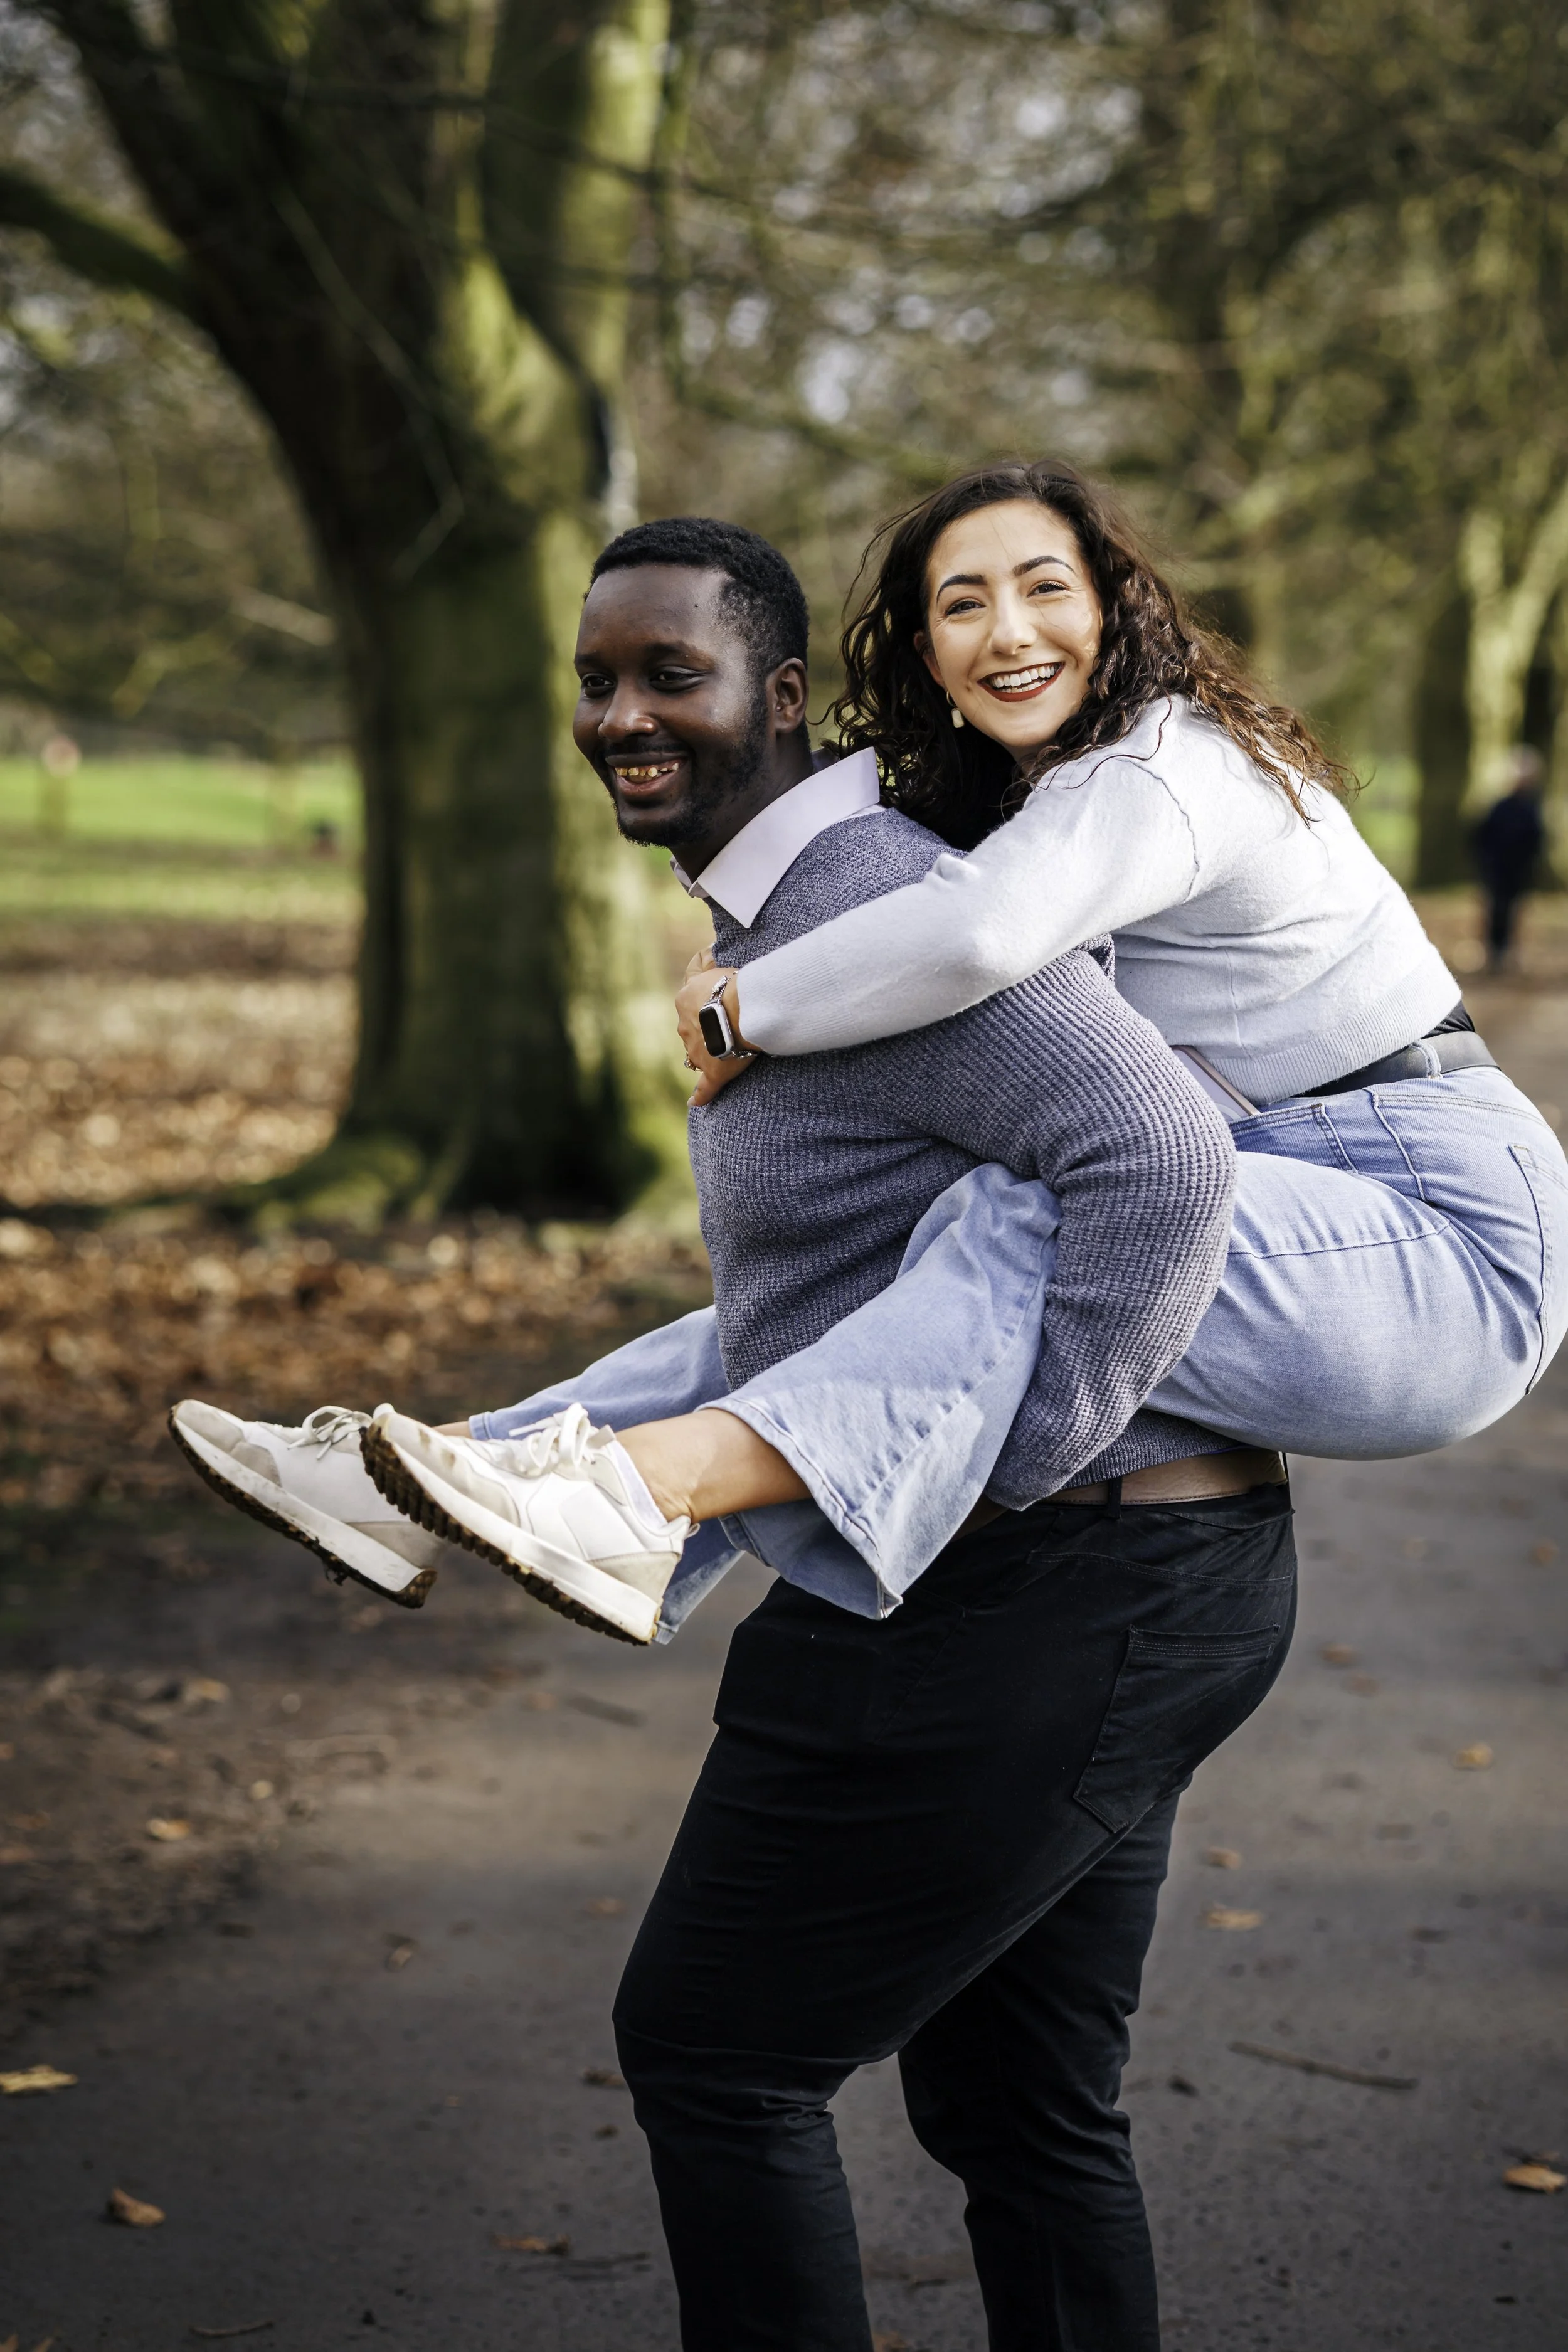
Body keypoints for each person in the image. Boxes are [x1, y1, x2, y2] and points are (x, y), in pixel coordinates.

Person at [399, 523, 1290, 2351]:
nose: (622, 714)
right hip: (1145, 1580)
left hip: (1050, 1585)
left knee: (714, 2049)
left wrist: (1031, 1445)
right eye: (595, 679)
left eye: (670, 673)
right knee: (1015, 2108)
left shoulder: (854, 895)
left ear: (785, 697)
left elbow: (1157, 1153)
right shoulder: (815, 908)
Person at [172, 480, 1568, 1645]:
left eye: (1043, 589)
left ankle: (643, 1494)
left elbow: (978, 935)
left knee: (1016, 1221)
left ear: (1116, 607)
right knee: (899, 1274)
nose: (1006, 631)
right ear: (919, 648)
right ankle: (428, 1474)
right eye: (961, 604)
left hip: (1439, 1241)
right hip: (1325, 1199)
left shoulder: (1156, 766)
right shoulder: (1035, 797)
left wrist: (744, 1007)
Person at [1471, 745, 1547, 971]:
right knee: (1496, 910)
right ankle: (1494, 953)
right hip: (1497, 870)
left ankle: (1508, 953)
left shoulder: (1531, 810)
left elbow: (1536, 842)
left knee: (1513, 911)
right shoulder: (1501, 808)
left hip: (1519, 871)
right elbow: (1481, 837)